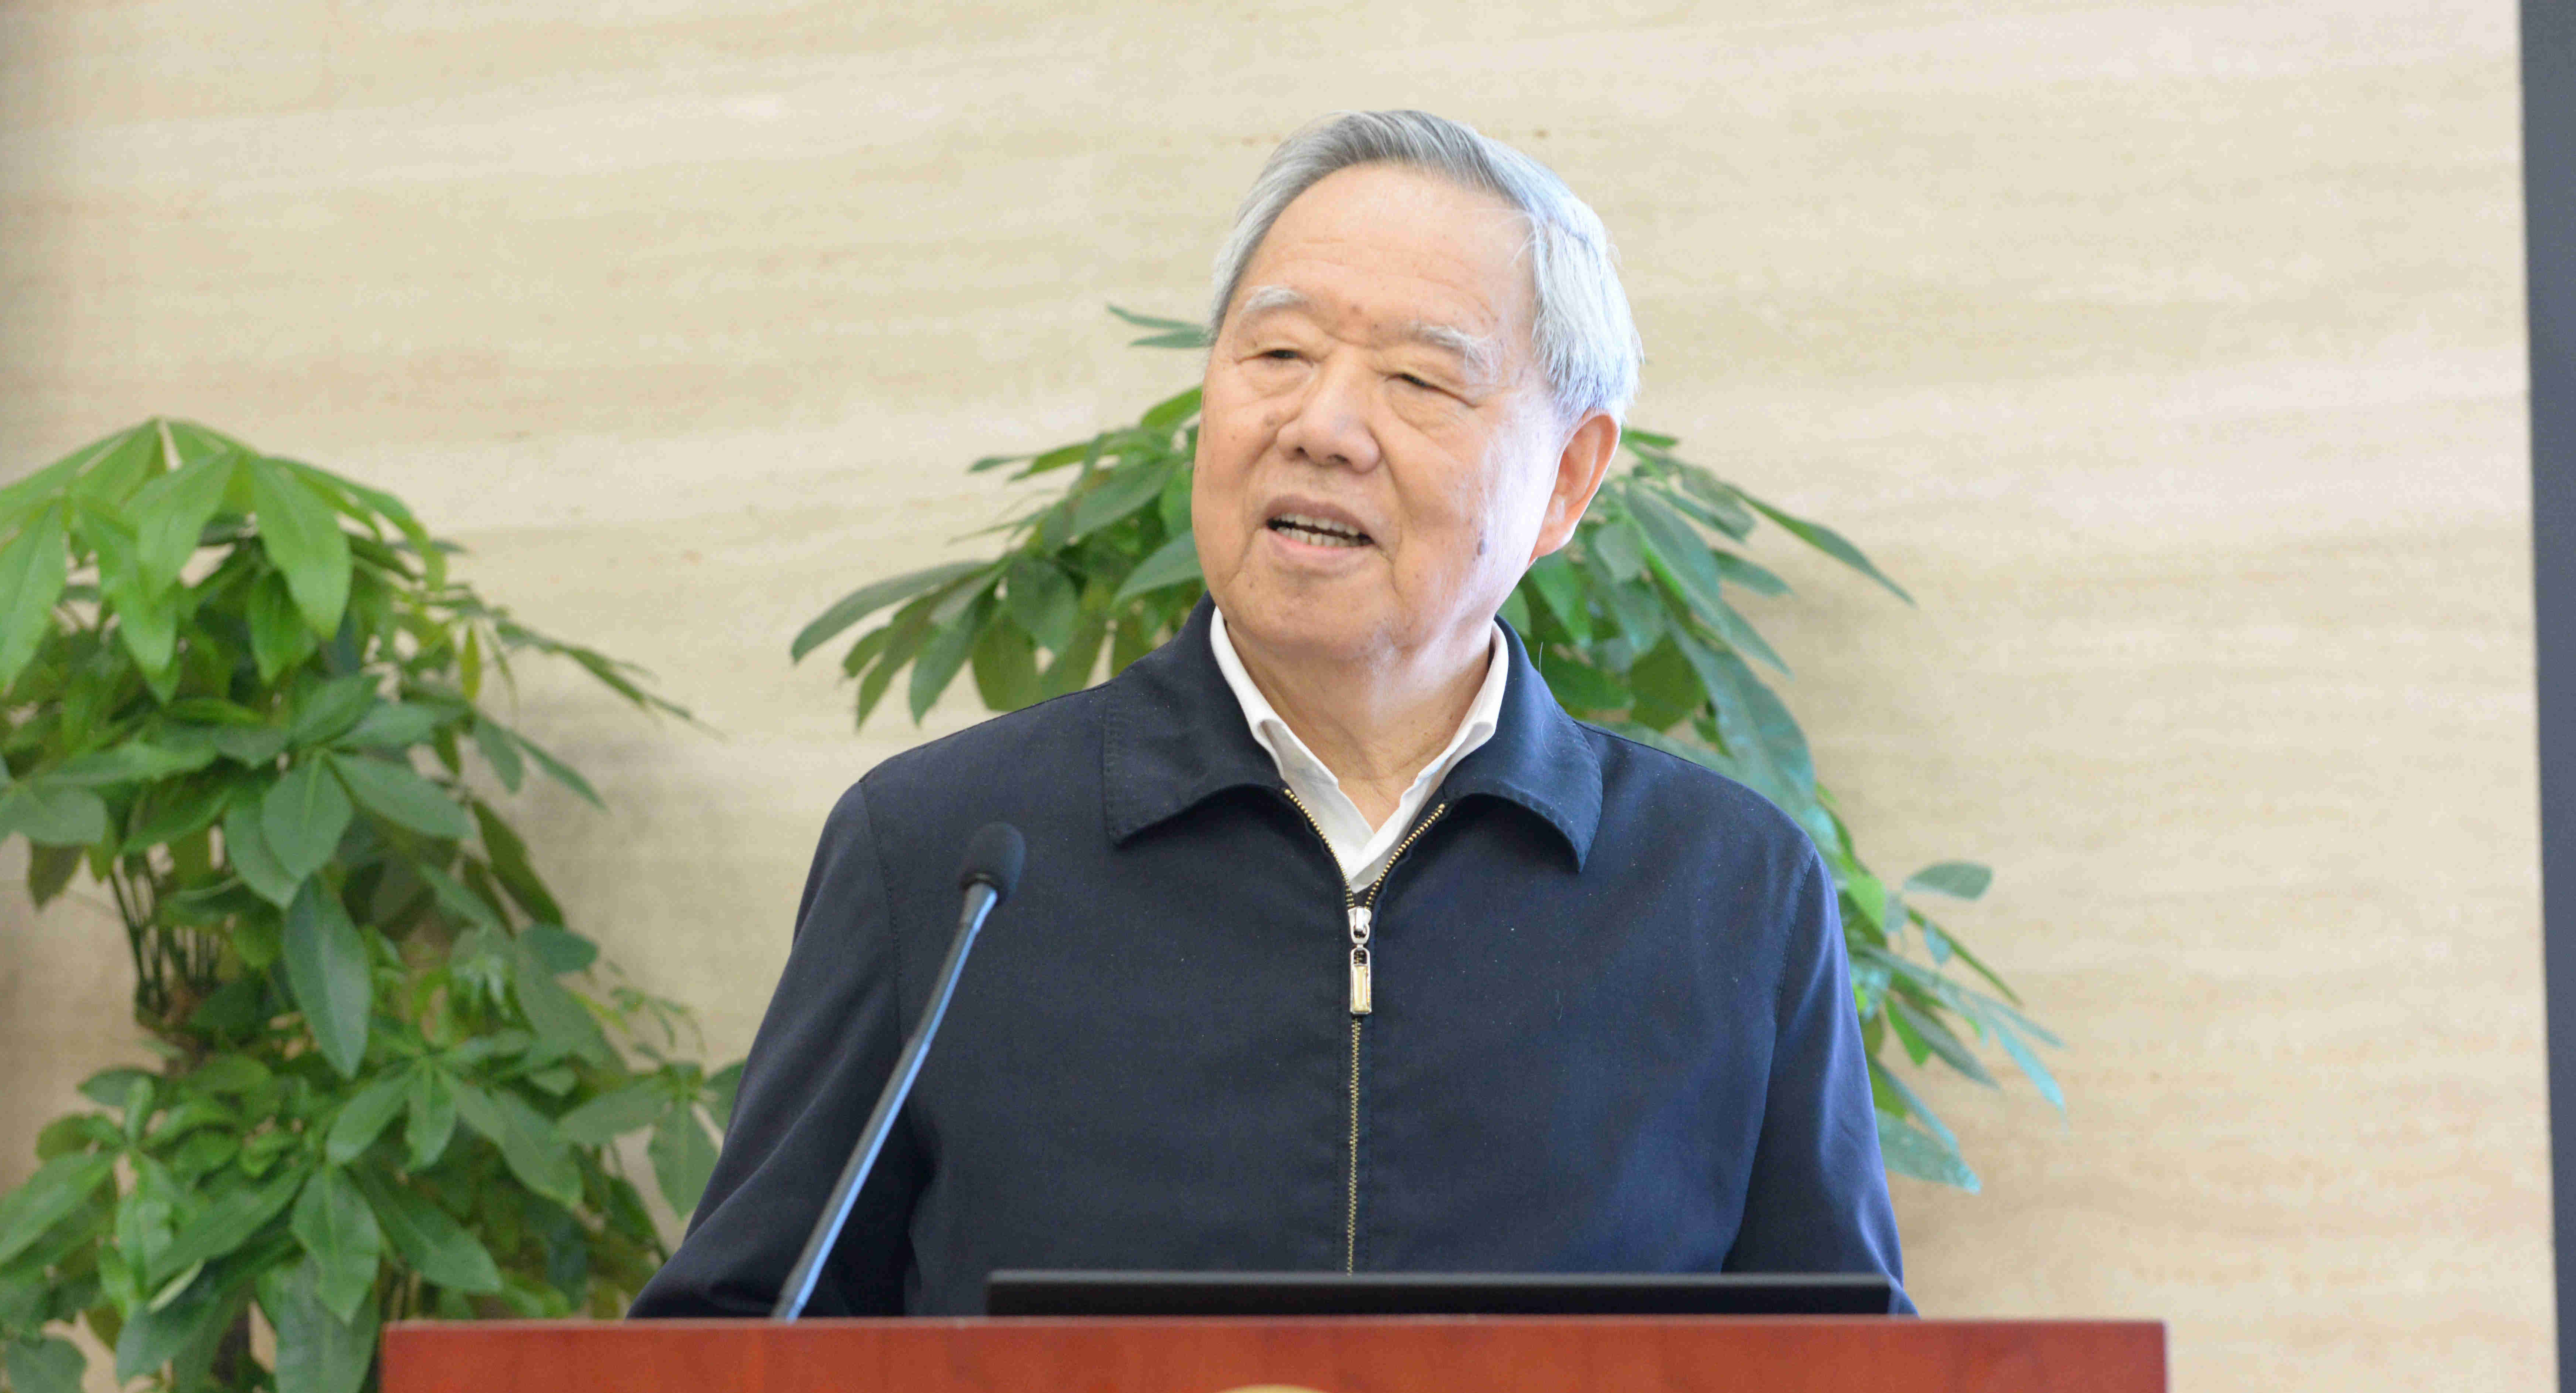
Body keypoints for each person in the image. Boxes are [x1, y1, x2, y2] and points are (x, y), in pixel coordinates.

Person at [631, 109, 1908, 1317]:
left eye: (1418, 379)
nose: (1322, 426)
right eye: (1279, 355)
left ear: (1568, 480)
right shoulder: (944, 856)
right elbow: (736, 1350)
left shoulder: (1725, 890)